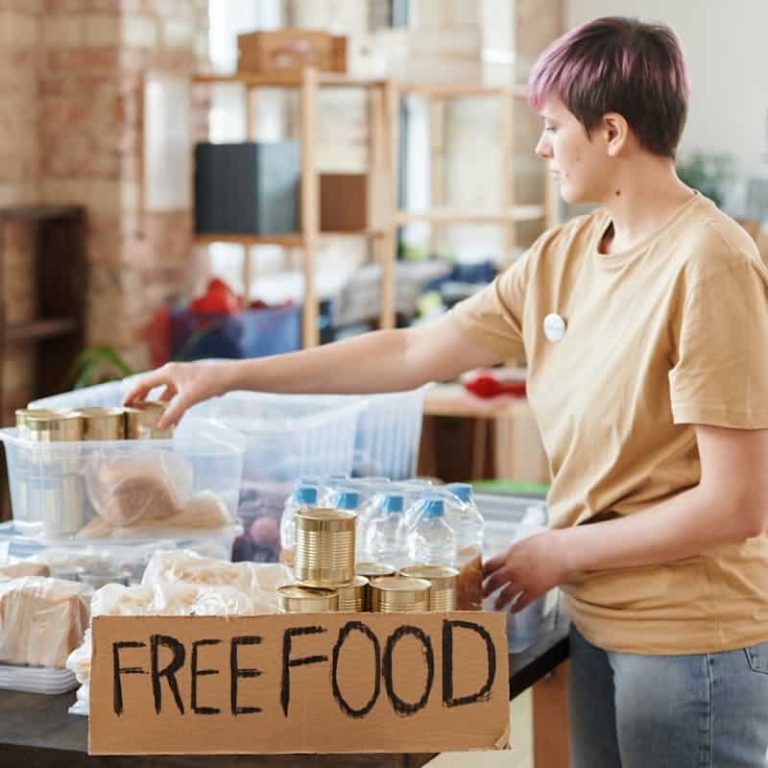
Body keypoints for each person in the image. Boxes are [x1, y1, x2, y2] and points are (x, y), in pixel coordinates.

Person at [125, 16, 768, 767]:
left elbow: (737, 504)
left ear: (614, 131)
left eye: (554, 126)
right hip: (597, 621)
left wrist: (560, 550)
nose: (542, 145)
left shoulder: (712, 263)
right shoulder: (565, 254)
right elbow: (410, 350)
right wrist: (229, 375)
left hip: (691, 643)